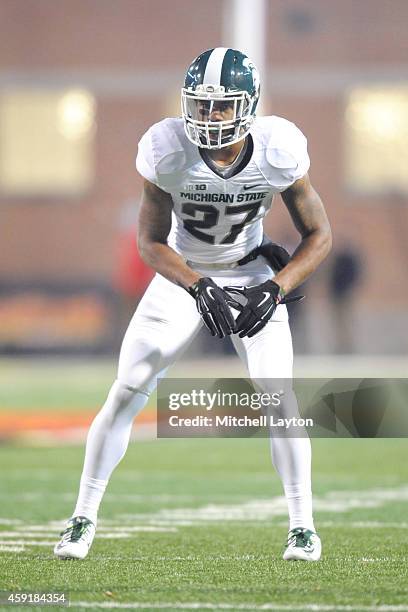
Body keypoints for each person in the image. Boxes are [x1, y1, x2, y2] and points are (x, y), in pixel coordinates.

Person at [54, 47, 332, 562]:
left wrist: (275, 286)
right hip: (184, 275)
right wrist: (197, 284)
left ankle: (303, 527)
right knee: (127, 389)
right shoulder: (166, 148)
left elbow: (319, 235)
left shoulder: (279, 148)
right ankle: (81, 518)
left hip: (252, 275)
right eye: (200, 106)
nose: (209, 117)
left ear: (247, 105)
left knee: (280, 400)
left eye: (222, 106)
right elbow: (151, 242)